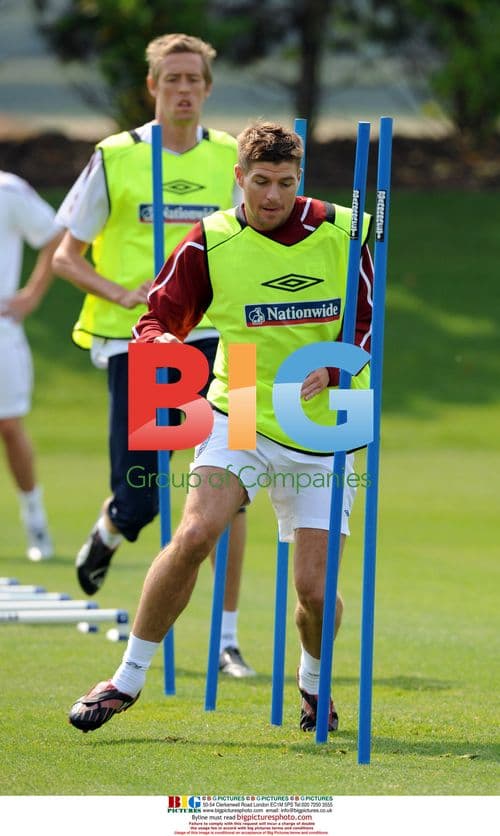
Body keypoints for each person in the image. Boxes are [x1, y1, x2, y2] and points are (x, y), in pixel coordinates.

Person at [67, 121, 374, 735]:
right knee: (197, 531)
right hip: (239, 400)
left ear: (300, 179)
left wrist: (340, 369)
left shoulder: (347, 228)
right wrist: (167, 363)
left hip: (327, 423)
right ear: (239, 177)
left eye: (286, 183)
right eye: (261, 182)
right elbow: (155, 322)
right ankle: (125, 679)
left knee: (314, 592)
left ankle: (313, 684)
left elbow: (370, 322)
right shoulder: (209, 241)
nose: (272, 197)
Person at [53, 33, 254, 677]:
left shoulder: (233, 158)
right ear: (153, 87)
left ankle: (226, 640)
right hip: (142, 338)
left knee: (237, 484)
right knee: (142, 496)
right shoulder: (117, 156)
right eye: (172, 79)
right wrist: (121, 291)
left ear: (208, 88)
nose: (184, 89)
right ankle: (112, 530)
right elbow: (65, 256)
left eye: (194, 78)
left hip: (225, 341)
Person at [0, 171, 63, 561]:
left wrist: (33, 294)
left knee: (8, 424)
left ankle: (35, 519)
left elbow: (56, 236)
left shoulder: (8, 190)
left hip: (2, 326)